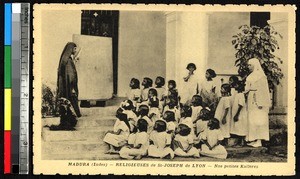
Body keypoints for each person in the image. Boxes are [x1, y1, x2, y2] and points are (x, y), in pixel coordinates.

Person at [245, 58, 271, 147]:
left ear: (255, 65)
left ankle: (259, 140)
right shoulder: (251, 75)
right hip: (251, 99)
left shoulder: (261, 76)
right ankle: (253, 138)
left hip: (258, 101)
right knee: (252, 119)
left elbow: (263, 90)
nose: (248, 67)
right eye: (248, 65)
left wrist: (260, 102)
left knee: (259, 119)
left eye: (250, 65)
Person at [57, 42, 81, 117]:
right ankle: (75, 115)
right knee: (71, 100)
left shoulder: (64, 59)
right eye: (74, 49)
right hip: (69, 86)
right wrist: (73, 86)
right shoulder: (68, 61)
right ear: (70, 49)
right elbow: (71, 75)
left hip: (65, 85)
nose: (75, 51)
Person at [230, 80, 247, 147]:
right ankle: (239, 142)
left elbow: (241, 105)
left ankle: (242, 142)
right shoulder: (237, 94)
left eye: (237, 85)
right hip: (237, 114)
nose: (235, 86)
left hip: (240, 115)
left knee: (241, 128)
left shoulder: (241, 95)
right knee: (238, 128)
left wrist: (237, 114)